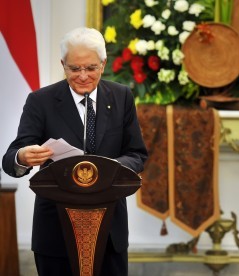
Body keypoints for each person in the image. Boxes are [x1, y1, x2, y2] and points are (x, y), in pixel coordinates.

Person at [2, 27, 148, 276]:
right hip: (55, 231)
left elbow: (137, 154)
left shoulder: (122, 96)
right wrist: (23, 157)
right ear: (63, 64)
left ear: (103, 64)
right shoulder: (41, 101)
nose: (83, 76)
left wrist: (105, 170)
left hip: (109, 228)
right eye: (74, 68)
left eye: (91, 68)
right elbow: (11, 159)